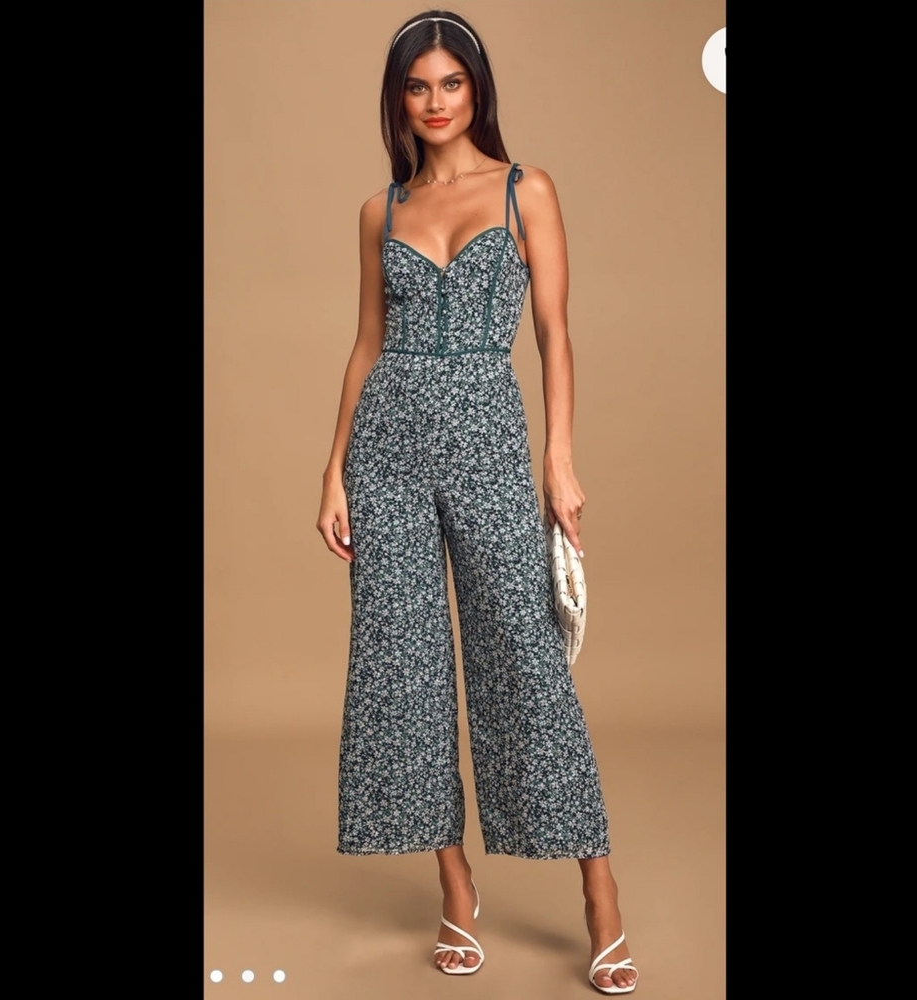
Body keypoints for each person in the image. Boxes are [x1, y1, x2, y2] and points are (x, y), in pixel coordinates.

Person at [316, 9, 638, 994]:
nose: (435, 101)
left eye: (451, 82)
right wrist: (333, 469)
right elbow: (367, 344)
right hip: (388, 450)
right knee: (402, 669)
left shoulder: (524, 188)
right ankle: (455, 888)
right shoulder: (379, 210)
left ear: (477, 89)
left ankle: (599, 896)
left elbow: (554, 333)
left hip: (490, 441)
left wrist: (559, 457)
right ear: (398, 99)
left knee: (523, 661)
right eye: (417, 86)